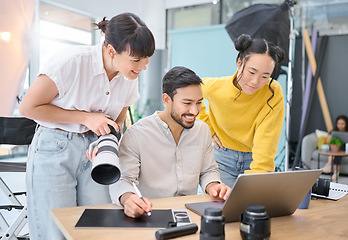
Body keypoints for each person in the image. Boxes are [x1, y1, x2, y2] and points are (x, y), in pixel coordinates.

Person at [19, 12, 155, 239]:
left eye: (146, 58)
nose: (142, 67)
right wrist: (85, 118)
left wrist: (106, 140)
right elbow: (28, 108)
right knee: (55, 233)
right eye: (136, 60)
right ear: (111, 50)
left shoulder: (129, 76)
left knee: (97, 228)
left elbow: (118, 120)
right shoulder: (71, 62)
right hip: (55, 147)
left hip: (96, 152)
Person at [107, 66, 231, 218]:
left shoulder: (203, 130)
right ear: (166, 99)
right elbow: (123, 179)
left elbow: (208, 170)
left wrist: (214, 187)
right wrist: (128, 199)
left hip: (189, 213)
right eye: (187, 103)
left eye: (199, 102)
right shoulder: (137, 134)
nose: (194, 111)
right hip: (151, 213)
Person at [197, 34, 285, 188]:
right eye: (251, 72)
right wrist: (208, 127)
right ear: (239, 63)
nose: (255, 82)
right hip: (222, 160)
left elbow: (267, 141)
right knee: (222, 208)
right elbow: (192, 93)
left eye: (265, 76)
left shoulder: (272, 92)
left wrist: (258, 177)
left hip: (256, 160)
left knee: (253, 206)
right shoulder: (217, 87)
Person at [321, 115, 348, 181]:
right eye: (339, 124)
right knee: (336, 152)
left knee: (339, 150)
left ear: (346, 124)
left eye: (342, 124)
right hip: (335, 149)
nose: (340, 125)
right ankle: (335, 172)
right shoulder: (333, 131)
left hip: (345, 148)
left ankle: (329, 166)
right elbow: (327, 141)